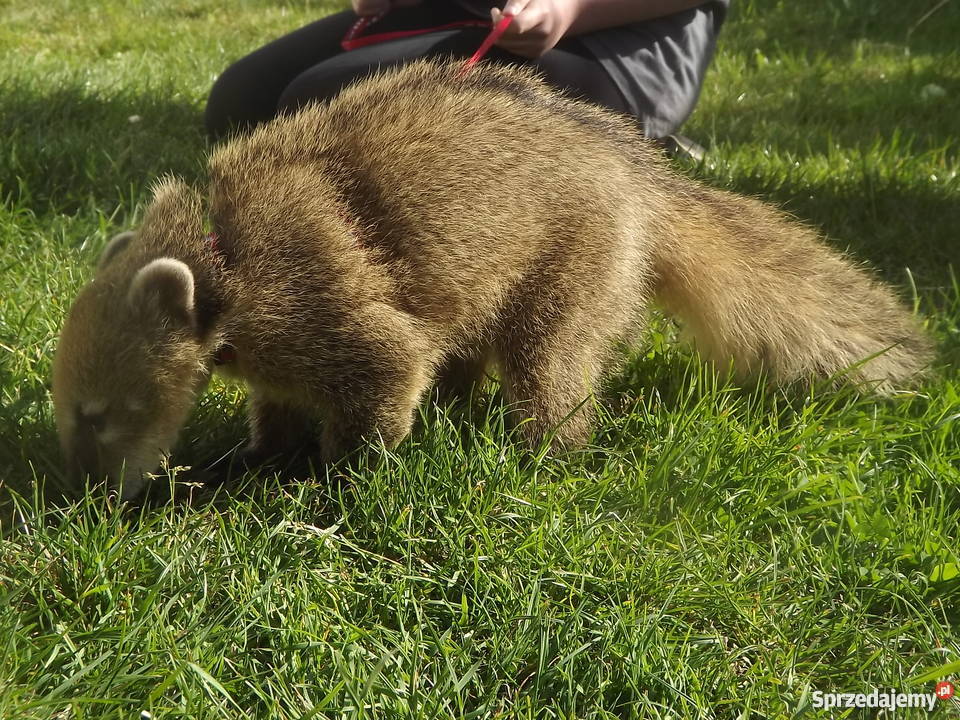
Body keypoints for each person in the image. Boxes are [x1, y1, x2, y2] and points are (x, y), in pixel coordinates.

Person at [205, 0, 729, 150]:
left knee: (315, 104)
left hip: (611, 40)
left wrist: (569, 10)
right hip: (466, 10)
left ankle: (620, 136)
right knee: (240, 104)